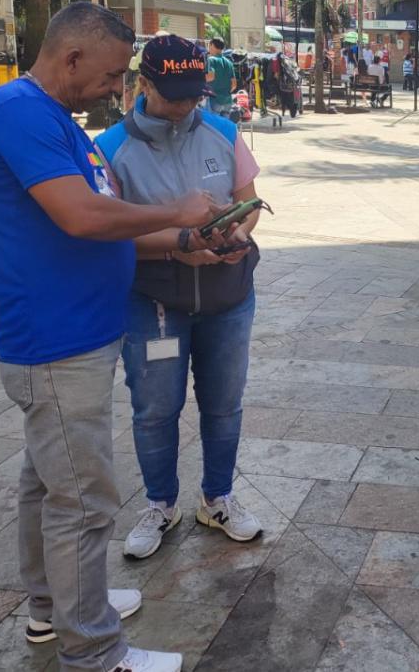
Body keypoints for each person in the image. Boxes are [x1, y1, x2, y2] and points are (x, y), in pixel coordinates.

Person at [0, 3, 217, 672]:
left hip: (77, 336)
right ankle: (96, 652)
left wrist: (185, 240)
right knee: (83, 501)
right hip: (55, 341)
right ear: (70, 59)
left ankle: (56, 610)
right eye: (108, 76)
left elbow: (107, 224)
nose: (116, 89)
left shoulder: (57, 123)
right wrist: (178, 210)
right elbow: (81, 216)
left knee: (48, 486)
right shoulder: (15, 111)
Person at [95, 35, 264, 562]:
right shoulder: (109, 149)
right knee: (154, 408)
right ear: (143, 84)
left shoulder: (223, 131)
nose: (189, 105)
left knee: (224, 404)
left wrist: (234, 231)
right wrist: (179, 244)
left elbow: (248, 201)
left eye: (196, 94)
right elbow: (107, 229)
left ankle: (217, 498)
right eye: (176, 95)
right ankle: (160, 503)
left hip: (228, 295)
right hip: (153, 301)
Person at [206, 38, 235, 115]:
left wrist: (198, 79)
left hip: (215, 100)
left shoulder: (211, 60)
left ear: (212, 45)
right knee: (224, 125)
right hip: (228, 101)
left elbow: (210, 77)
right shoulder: (229, 62)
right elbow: (234, 85)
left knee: (213, 126)